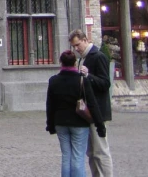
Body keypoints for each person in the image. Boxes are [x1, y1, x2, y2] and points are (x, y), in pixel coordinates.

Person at [47, 50, 105, 177]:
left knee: (66, 156)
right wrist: (100, 125)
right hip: (79, 122)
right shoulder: (82, 80)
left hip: (60, 122)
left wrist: (50, 124)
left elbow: (50, 105)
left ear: (61, 63)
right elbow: (92, 104)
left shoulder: (53, 80)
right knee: (78, 156)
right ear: (74, 63)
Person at [69, 29, 114, 177]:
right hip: (87, 111)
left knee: (101, 151)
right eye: (74, 46)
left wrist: (88, 75)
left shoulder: (98, 56)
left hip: (98, 111)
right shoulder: (83, 58)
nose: (76, 49)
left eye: (77, 45)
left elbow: (105, 83)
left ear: (85, 39)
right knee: (91, 152)